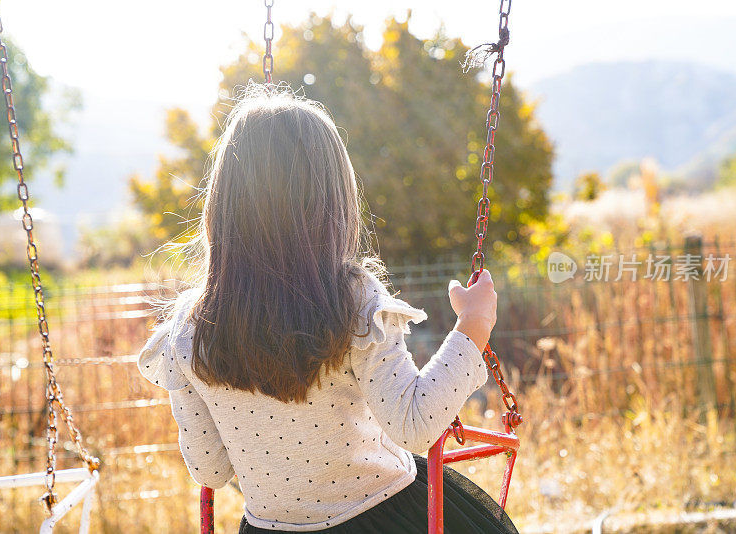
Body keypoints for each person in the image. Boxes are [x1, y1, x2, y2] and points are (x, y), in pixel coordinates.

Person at [138, 84, 518, 533]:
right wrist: (473, 325)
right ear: (331, 198)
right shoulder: (351, 301)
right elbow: (416, 424)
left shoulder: (188, 329)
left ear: (223, 204)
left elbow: (210, 470)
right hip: (381, 517)